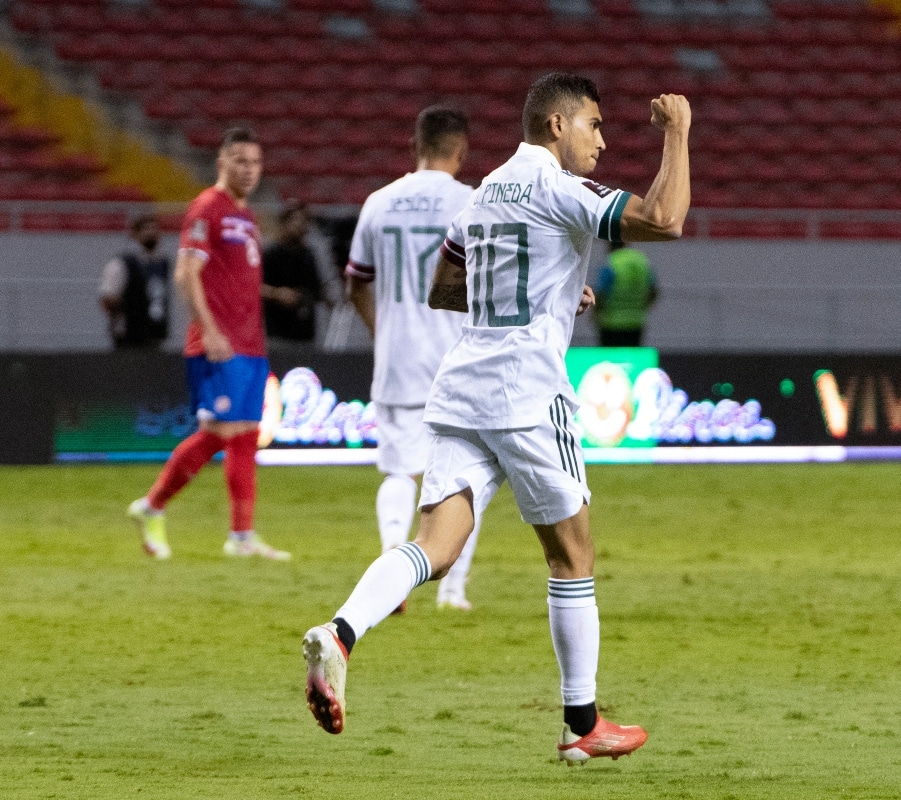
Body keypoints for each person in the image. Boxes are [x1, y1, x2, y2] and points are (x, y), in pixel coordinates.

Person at [303, 74, 691, 763]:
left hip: (461, 387)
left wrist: (548, 295)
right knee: (572, 553)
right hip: (527, 391)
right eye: (594, 126)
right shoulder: (557, 187)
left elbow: (444, 289)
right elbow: (664, 218)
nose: (602, 140)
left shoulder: (483, 193)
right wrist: (678, 132)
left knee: (436, 546)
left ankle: (339, 633)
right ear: (555, 127)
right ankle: (581, 725)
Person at [126, 127, 290, 561]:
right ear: (221, 162)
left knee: (243, 436)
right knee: (222, 432)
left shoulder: (248, 217)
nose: (249, 170)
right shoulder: (207, 208)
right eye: (240, 161)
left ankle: (241, 537)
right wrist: (211, 329)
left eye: (255, 162)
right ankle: (153, 505)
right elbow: (186, 274)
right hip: (219, 344)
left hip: (250, 344)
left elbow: (239, 281)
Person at [345, 106, 480, 611]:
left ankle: (392, 569)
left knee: (398, 472)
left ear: (414, 145)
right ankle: (452, 590)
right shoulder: (471, 202)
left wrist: (383, 332)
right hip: (459, 362)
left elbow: (355, 280)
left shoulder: (379, 203)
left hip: (397, 360)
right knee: (467, 480)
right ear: (462, 150)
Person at [98, 214, 171, 349]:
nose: (151, 233)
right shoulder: (122, 263)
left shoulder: (161, 263)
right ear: (135, 234)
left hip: (155, 333)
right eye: (146, 229)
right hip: (128, 336)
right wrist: (127, 308)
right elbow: (107, 297)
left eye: (155, 229)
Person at [261, 200, 326, 349]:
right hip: (277, 333)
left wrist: (303, 296)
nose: (302, 227)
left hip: (305, 335)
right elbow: (254, 286)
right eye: (297, 221)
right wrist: (277, 294)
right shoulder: (270, 254)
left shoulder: (309, 255)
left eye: (305, 222)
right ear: (284, 224)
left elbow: (316, 290)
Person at [594, 241, 658, 346]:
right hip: (636, 322)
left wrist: (596, 315)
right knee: (632, 359)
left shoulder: (611, 262)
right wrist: (640, 308)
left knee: (611, 360)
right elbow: (653, 292)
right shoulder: (641, 260)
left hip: (611, 323)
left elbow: (601, 293)